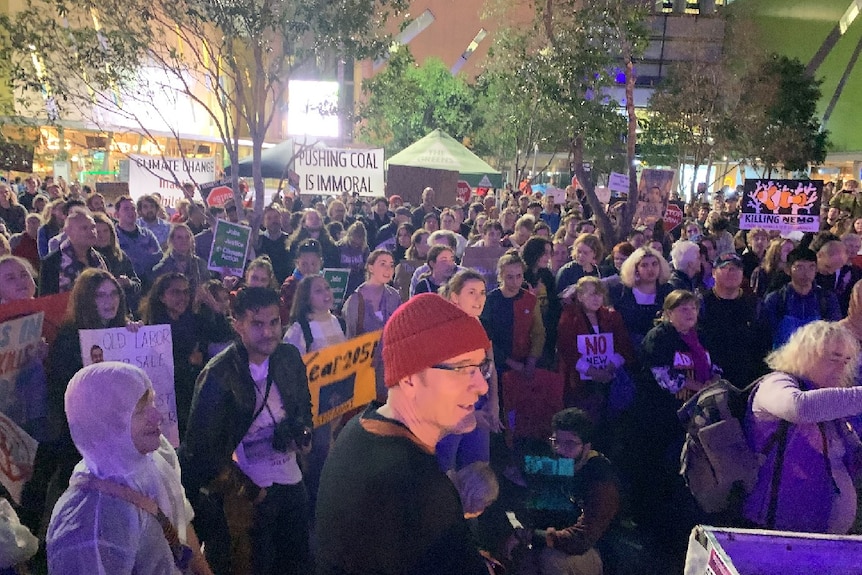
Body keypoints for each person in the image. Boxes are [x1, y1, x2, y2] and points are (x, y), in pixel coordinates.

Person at [315, 293, 492, 575]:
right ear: (408, 378)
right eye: (462, 369)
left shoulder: (360, 429)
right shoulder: (420, 488)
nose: (482, 386)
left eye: (482, 367)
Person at [180, 287, 313, 575]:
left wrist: (302, 433)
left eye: (274, 322)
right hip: (242, 495)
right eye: (258, 324)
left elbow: (303, 406)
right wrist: (251, 491)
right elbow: (201, 454)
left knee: (297, 558)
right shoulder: (218, 374)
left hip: (289, 475)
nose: (269, 332)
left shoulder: (288, 357)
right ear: (237, 324)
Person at [46, 362, 212, 574]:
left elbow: (179, 523)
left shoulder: (154, 456)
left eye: (152, 403)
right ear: (106, 423)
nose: (157, 416)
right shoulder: (92, 520)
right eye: (141, 411)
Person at [743, 321, 862, 533]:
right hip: (775, 532)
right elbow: (799, 407)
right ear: (805, 354)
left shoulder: (830, 401)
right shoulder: (776, 384)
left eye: (847, 360)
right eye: (834, 357)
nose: (843, 366)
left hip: (818, 534)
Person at [522, 408, 621, 575]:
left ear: (586, 446)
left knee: (552, 559)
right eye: (556, 441)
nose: (560, 449)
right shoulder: (561, 464)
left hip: (597, 550)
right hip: (566, 540)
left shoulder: (601, 480)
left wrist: (532, 536)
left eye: (570, 443)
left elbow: (581, 539)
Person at [436, 270, 503, 472]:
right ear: (455, 297)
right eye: (471, 292)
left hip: (478, 405)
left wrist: (494, 402)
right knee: (446, 471)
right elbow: (444, 382)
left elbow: (490, 364)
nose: (479, 298)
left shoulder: (478, 323)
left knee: (477, 470)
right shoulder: (443, 329)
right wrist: (471, 415)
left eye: (482, 292)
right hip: (451, 412)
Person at [139, 273, 209, 437]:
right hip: (169, 402)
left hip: (190, 395)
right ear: (162, 297)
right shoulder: (152, 329)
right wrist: (189, 361)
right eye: (176, 292)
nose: (183, 297)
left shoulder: (191, 320)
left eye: (186, 292)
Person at [556, 277, 635, 419]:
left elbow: (624, 346)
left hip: (610, 380)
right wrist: (593, 372)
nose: (596, 298)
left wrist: (609, 368)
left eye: (599, 294)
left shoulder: (612, 316)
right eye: (592, 294)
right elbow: (567, 351)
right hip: (579, 385)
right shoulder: (569, 317)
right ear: (580, 296)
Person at [699, 252, 770, 389]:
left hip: (749, 381)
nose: (731, 272)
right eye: (726, 268)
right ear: (714, 272)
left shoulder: (755, 304)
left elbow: (764, 344)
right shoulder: (702, 303)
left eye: (736, 268)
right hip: (711, 382)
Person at [342, 250, 402, 398]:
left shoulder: (394, 296)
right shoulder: (356, 300)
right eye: (383, 264)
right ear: (370, 267)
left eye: (391, 265)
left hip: (390, 369)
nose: (388, 269)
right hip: (365, 371)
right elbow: (349, 338)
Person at [481, 250, 545, 380]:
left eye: (519, 276)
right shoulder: (490, 300)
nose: (515, 282)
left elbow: (538, 332)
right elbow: (485, 338)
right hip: (497, 365)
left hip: (525, 362)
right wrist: (510, 362)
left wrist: (532, 360)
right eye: (510, 277)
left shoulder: (530, 299)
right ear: (501, 276)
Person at [762, 247, 842, 348]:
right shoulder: (776, 299)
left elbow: (835, 332)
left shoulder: (827, 298)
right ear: (788, 270)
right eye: (799, 267)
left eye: (811, 267)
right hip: (783, 358)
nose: (806, 273)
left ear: (816, 269)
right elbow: (765, 335)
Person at [608, 246, 673, 348]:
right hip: (628, 349)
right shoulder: (622, 292)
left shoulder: (669, 291)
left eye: (654, 264)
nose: (650, 269)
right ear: (636, 269)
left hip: (662, 348)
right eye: (644, 265)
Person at [39, 209, 108, 295]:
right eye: (84, 228)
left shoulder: (101, 260)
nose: (91, 232)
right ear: (68, 231)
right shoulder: (51, 262)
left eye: (93, 227)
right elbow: (46, 301)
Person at [92, 212, 142, 313]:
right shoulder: (88, 256)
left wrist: (128, 283)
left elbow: (137, 284)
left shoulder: (120, 256)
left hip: (121, 310)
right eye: (98, 232)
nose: (102, 236)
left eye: (105, 231)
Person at [114, 196, 163, 288]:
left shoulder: (147, 235)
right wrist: (146, 254)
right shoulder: (113, 237)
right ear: (117, 214)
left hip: (149, 284)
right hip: (126, 286)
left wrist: (134, 257)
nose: (131, 212)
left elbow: (158, 257)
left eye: (133, 209)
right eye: (126, 209)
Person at [151, 223, 211, 297]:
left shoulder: (201, 265)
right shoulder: (161, 269)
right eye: (179, 237)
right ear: (172, 241)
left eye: (187, 237)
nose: (184, 240)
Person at [279, 237, 323, 323]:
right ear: (297, 263)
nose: (310, 269)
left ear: (321, 263)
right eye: (304, 264)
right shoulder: (290, 285)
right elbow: (287, 317)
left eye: (314, 264)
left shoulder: (326, 283)